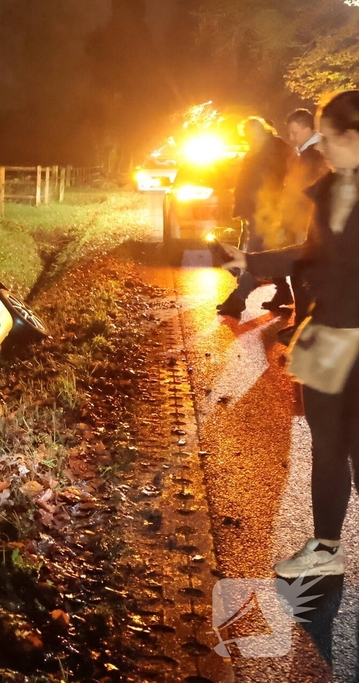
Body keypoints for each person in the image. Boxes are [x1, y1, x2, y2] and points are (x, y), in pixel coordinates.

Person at [219, 90, 359, 577]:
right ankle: (326, 550)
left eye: (328, 134)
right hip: (325, 334)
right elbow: (311, 251)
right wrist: (251, 262)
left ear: (354, 137)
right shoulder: (332, 188)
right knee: (327, 446)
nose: (319, 144)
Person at [216, 117, 292, 317]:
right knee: (269, 252)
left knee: (256, 255)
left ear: (260, 130)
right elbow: (247, 182)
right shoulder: (258, 148)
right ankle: (283, 291)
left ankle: (239, 298)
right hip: (256, 211)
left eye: (250, 135)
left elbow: (285, 177)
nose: (248, 139)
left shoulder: (275, 148)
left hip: (267, 211)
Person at [276, 109, 330, 344]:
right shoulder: (309, 152)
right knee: (301, 274)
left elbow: (305, 193)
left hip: (307, 224)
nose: (291, 137)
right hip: (306, 223)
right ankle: (301, 327)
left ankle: (303, 329)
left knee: (303, 275)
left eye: (294, 131)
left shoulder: (314, 154)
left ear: (307, 128)